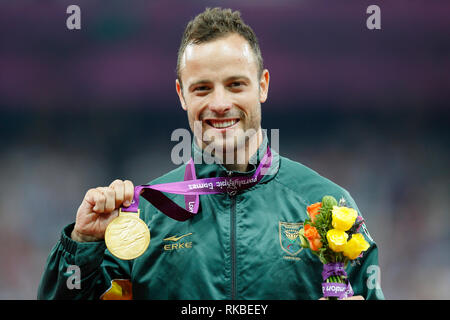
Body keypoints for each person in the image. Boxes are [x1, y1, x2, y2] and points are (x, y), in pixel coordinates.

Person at [38, 7, 384, 300]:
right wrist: (82, 245)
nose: (219, 104)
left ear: (262, 85)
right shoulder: (139, 217)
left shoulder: (328, 206)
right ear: (181, 95)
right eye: (202, 88)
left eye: (235, 84)